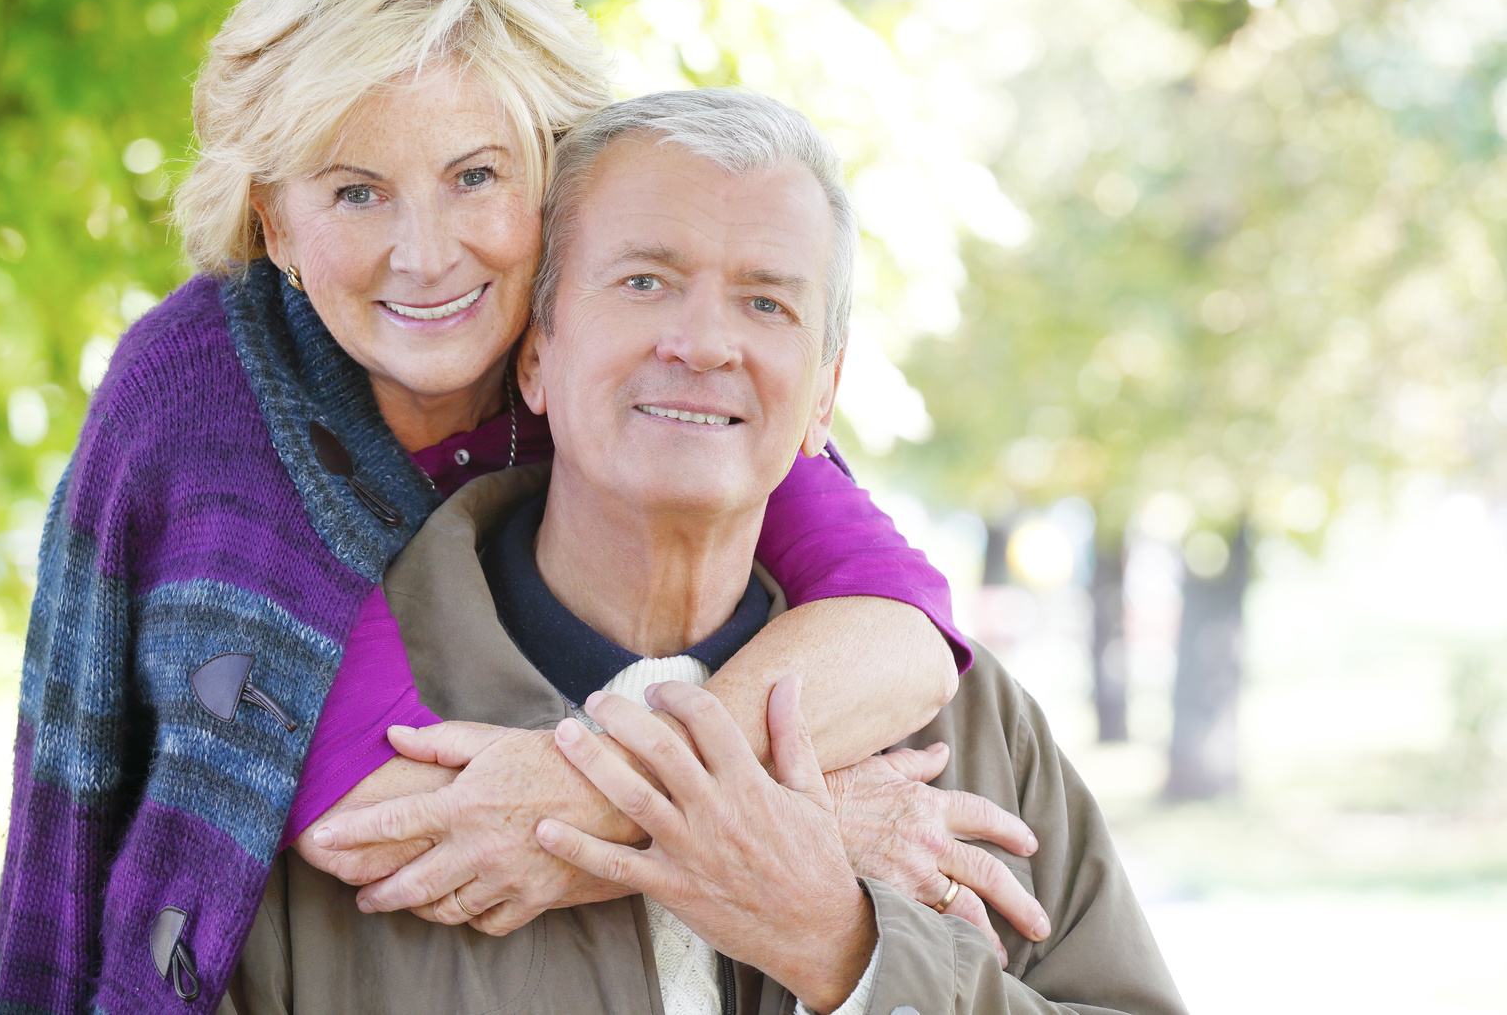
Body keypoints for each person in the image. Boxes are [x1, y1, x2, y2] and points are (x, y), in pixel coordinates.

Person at [0, 0, 1041, 1015]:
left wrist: (743, 820)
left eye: (475, 176)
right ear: (274, 224)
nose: (426, 253)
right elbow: (394, 821)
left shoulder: (622, 349)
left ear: (548, 170)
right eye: (355, 192)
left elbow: (899, 626)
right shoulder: (210, 399)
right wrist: (784, 824)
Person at [219, 88, 1187, 1015]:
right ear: (534, 356)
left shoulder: (961, 732)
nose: (703, 343)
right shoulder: (330, 725)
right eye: (645, 282)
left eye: (766, 304)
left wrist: (843, 949)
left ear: (821, 397)